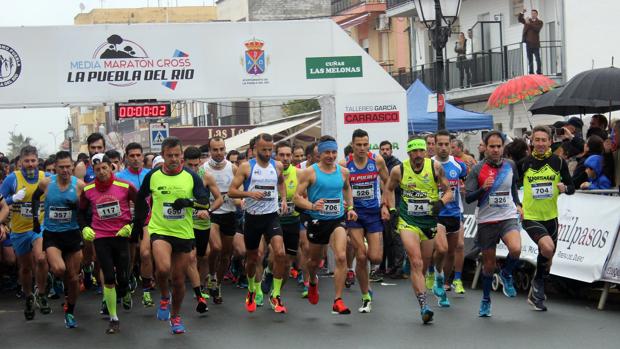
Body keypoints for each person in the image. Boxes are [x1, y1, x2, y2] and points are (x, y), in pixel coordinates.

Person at [134, 137, 212, 334]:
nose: (174, 159)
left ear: (182, 156)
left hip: (184, 233)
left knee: (178, 279)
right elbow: (140, 198)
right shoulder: (152, 176)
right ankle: (163, 296)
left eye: (177, 155)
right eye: (170, 156)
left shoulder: (191, 177)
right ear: (163, 156)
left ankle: (175, 316)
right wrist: (140, 222)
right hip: (160, 230)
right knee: (163, 268)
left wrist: (189, 203)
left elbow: (205, 202)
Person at [384, 138, 452, 323]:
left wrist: (441, 202)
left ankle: (424, 281)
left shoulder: (435, 167)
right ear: (409, 153)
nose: (419, 155)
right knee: (416, 262)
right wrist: (391, 209)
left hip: (428, 221)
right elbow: (388, 189)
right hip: (408, 221)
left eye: (422, 151)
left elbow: (449, 191)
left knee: (424, 262)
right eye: (415, 151)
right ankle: (424, 306)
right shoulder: (399, 170)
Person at [294, 135, 358, 315]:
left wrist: (350, 207)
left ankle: (338, 300)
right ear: (319, 154)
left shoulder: (343, 171)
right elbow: (296, 198)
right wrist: (312, 205)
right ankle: (313, 280)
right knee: (313, 262)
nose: (330, 155)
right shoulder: (310, 172)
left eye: (333, 152)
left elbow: (346, 188)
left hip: (337, 219)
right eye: (327, 152)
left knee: (340, 256)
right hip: (317, 221)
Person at [228, 133, 289, 314]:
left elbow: (281, 182)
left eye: (270, 149)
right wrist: (249, 194)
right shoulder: (247, 167)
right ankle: (252, 289)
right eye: (264, 150)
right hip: (253, 218)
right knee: (253, 258)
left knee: (280, 253)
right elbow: (231, 191)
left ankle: (275, 294)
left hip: (271, 216)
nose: (268, 153)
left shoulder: (277, 165)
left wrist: (284, 199)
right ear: (254, 149)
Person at [465, 131, 522, 317]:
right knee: (488, 265)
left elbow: (513, 188)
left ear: (503, 147)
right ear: (485, 147)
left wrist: (519, 204)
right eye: (492, 146)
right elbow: (468, 197)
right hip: (487, 221)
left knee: (515, 249)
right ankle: (486, 300)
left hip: (507, 216)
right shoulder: (476, 169)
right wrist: (483, 189)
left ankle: (506, 274)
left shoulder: (510, 165)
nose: (496, 150)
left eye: (499, 146)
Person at [78, 153, 137, 334]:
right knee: (109, 278)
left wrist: (132, 226)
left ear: (111, 167)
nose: (102, 172)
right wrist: (84, 228)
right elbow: (79, 212)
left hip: (121, 235)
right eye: (97, 169)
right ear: (93, 171)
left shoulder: (125, 185)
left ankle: (126, 289)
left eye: (104, 168)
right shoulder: (88, 190)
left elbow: (143, 205)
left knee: (123, 277)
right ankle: (113, 318)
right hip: (101, 237)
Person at [521, 126, 575, 311]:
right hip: (530, 217)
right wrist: (518, 206)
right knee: (547, 247)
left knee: (548, 257)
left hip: (551, 217)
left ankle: (535, 291)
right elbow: (511, 187)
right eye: (537, 140)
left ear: (550, 141)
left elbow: (572, 187)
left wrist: (565, 188)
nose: (541, 144)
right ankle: (538, 286)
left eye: (544, 140)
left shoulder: (559, 162)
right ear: (532, 142)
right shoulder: (524, 163)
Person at [31, 151, 85, 328]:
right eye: (61, 167)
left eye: (68, 166)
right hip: (52, 233)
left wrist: (77, 206)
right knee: (60, 269)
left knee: (74, 278)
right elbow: (34, 197)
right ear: (55, 168)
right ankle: (54, 277)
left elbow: (86, 208)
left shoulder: (80, 186)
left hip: (72, 233)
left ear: (72, 166)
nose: (65, 170)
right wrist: (35, 221)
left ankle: (70, 311)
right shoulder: (47, 183)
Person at [0, 145, 51, 320]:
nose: (30, 164)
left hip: (39, 227)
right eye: (26, 161)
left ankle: (42, 294)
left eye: (33, 160)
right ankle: (29, 295)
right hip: (19, 229)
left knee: (41, 258)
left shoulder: (46, 178)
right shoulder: (12, 179)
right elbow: (0, 202)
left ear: (38, 161)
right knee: (25, 268)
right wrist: (11, 198)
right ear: (20, 161)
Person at [343, 129, 389, 313]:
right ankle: (365, 295)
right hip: (354, 214)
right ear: (352, 145)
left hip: (373, 213)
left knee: (375, 257)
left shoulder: (376, 161)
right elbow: (341, 189)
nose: (362, 148)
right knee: (361, 256)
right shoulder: (344, 165)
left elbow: (388, 183)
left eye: (365, 144)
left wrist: (385, 204)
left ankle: (363, 246)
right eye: (358, 145)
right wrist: (347, 207)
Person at [184, 146, 224, 314]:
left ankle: (202, 282)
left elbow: (219, 199)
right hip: (185, 224)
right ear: (183, 162)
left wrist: (208, 211)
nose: (193, 169)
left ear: (200, 162)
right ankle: (198, 290)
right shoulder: (180, 177)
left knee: (203, 256)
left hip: (202, 224)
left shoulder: (206, 176)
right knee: (191, 257)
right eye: (190, 165)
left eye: (196, 165)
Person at [115, 142, 153, 307]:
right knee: (128, 260)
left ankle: (146, 291)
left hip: (146, 220)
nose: (136, 159)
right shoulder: (119, 177)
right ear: (126, 158)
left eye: (138, 155)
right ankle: (125, 286)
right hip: (127, 222)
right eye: (132, 156)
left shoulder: (151, 174)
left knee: (145, 254)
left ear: (143, 157)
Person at [203, 136, 240, 305]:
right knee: (215, 248)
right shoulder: (203, 169)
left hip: (229, 214)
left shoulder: (233, 168)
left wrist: (243, 201)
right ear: (210, 151)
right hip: (211, 215)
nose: (218, 153)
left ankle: (217, 285)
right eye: (215, 149)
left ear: (225, 149)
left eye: (221, 149)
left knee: (226, 254)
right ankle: (211, 275)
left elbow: (239, 191)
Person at [432, 131, 468, 296]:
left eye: (447, 144)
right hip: (436, 214)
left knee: (452, 251)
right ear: (434, 145)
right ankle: (434, 274)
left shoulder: (460, 165)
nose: (444, 148)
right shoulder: (429, 164)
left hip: (455, 212)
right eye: (440, 144)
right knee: (441, 249)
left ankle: (446, 281)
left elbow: (466, 182)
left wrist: (466, 188)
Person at [519, 8, 543, 74]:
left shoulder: (540, 22)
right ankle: (531, 72)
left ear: (537, 14)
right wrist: (522, 12)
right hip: (528, 44)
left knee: (537, 59)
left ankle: (539, 72)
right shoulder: (527, 21)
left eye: (534, 14)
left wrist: (529, 23)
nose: (533, 15)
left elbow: (537, 29)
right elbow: (520, 19)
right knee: (530, 60)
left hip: (535, 44)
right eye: (532, 14)